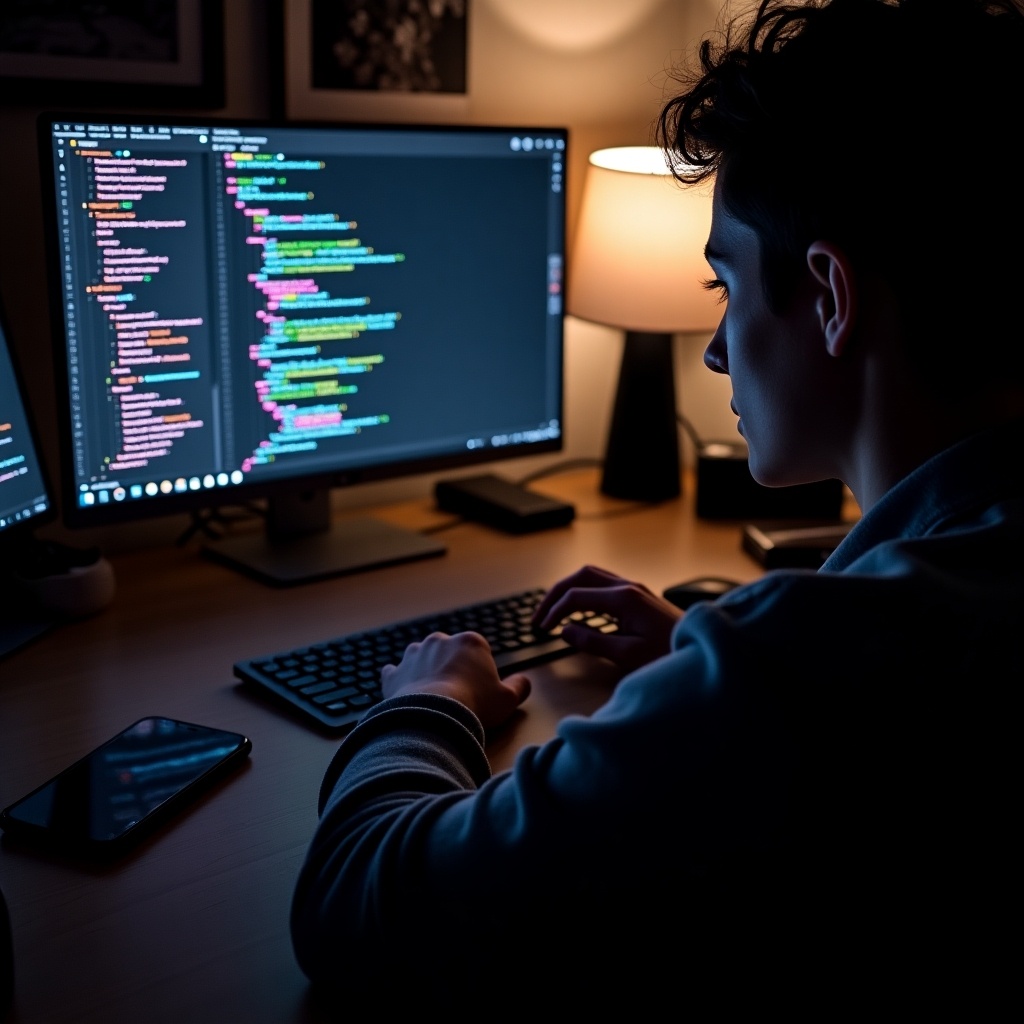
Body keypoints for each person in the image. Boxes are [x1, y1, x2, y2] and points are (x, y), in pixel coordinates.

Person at [291, 0, 1024, 1012]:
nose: (717, 349)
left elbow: (352, 909)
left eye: (724, 283)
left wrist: (427, 706)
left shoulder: (804, 668)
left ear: (829, 295)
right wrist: (701, 660)